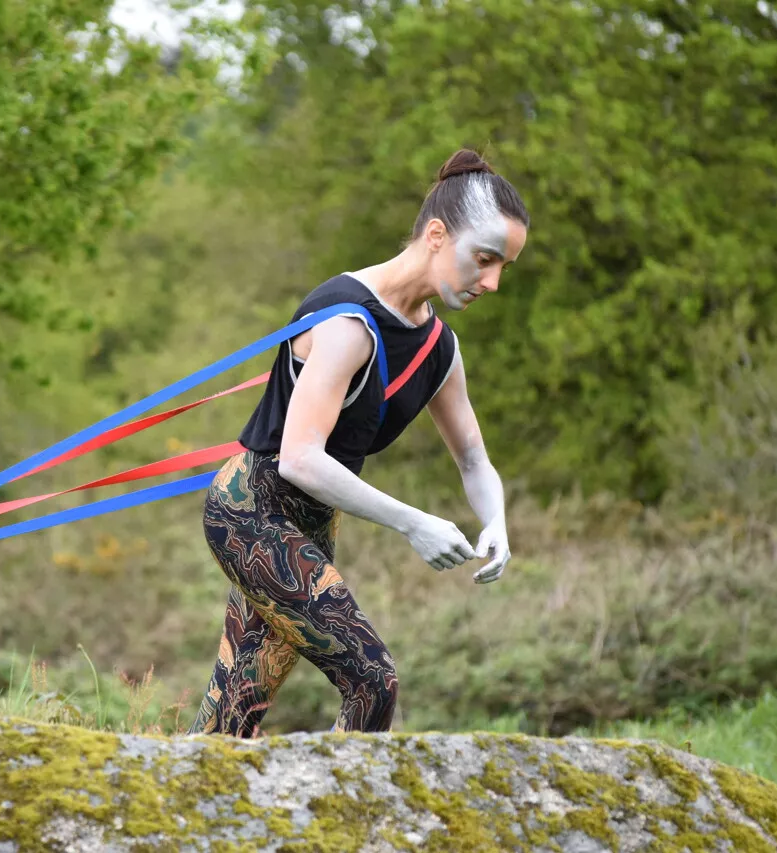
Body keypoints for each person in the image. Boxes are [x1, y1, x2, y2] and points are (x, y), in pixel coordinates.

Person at [188, 148, 529, 738]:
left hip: (313, 525)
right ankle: (350, 826)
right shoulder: (347, 324)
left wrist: (494, 520)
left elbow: (474, 458)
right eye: (485, 259)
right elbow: (298, 458)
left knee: (233, 713)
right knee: (373, 679)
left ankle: (177, 810)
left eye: (504, 267)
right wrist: (414, 522)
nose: (493, 282)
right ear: (437, 235)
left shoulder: (438, 349)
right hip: (252, 511)